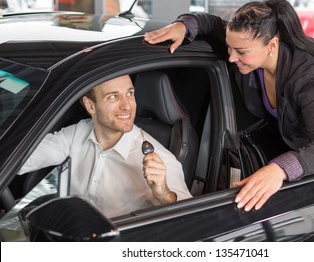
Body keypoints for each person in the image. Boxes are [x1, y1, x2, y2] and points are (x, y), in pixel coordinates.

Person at [144, 0, 314, 212]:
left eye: (240, 52)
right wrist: (183, 25)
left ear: (271, 46)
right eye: (229, 48)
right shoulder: (247, 44)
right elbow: (211, 23)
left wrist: (278, 170)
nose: (231, 57)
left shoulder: (307, 77)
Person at [19, 75, 192, 218]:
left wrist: (164, 194)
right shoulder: (76, 133)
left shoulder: (161, 161)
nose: (127, 105)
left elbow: (193, 219)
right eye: (113, 96)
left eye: (130, 93)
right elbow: (22, 158)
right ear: (90, 105)